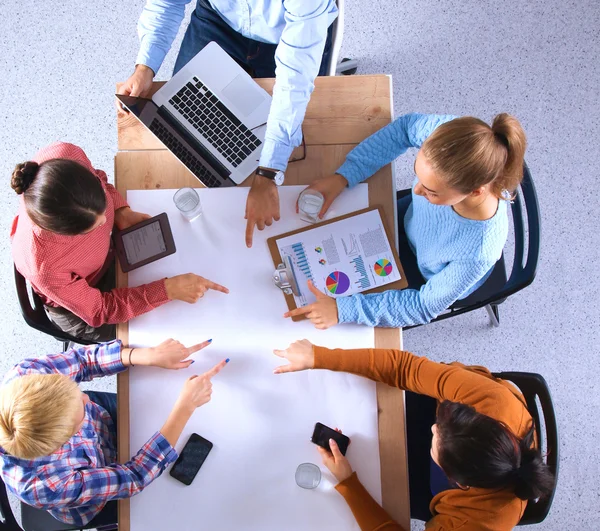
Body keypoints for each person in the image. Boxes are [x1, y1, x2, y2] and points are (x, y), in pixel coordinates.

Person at [118, 0, 338, 247]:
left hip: (285, 34)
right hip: (218, 20)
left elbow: (294, 82)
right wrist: (145, 67)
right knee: (179, 125)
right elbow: (167, 3)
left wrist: (268, 172)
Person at [272, 340, 554, 530]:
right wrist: (319, 356)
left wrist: (348, 483)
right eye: (442, 422)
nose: (433, 427)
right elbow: (404, 367)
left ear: (455, 481)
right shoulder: (491, 401)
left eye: (437, 437)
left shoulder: (480, 522)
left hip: (434, 488)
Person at [284, 113, 527, 329]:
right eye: (418, 176)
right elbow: (404, 129)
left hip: (426, 274)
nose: (417, 191)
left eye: (432, 191)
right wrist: (344, 176)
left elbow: (422, 306)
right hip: (411, 223)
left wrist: (342, 310)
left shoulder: (479, 252)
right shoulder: (449, 138)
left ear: (475, 191)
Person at [10, 142, 229, 341]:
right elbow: (100, 310)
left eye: (102, 208)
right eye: (94, 227)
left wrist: (120, 208)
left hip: (103, 259)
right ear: (66, 233)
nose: (105, 221)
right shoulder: (45, 267)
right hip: (84, 307)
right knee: (154, 332)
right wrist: (167, 290)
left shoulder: (64, 154)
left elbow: (99, 178)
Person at [0, 337, 227, 527]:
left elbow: (84, 360)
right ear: (62, 444)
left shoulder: (26, 378)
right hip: (98, 494)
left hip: (103, 419)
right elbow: (134, 477)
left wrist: (145, 355)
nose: (86, 398)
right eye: (79, 415)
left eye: (74, 391)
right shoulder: (45, 486)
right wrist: (185, 407)